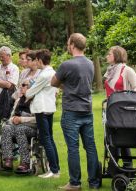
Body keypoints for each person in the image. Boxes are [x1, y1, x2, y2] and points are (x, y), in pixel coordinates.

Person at [51, 33, 101, 190]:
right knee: (90, 147)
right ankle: (94, 183)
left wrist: (65, 86)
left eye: (68, 43)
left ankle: (74, 183)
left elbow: (53, 82)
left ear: (72, 45)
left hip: (72, 111)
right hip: (87, 110)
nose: (67, 46)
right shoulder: (91, 64)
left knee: (73, 148)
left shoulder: (67, 65)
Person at [104, 45, 136, 169]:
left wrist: (128, 98)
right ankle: (123, 166)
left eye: (109, 54)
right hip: (111, 109)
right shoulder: (109, 71)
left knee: (123, 138)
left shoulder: (127, 70)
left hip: (124, 110)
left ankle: (117, 167)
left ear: (116, 56)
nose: (107, 56)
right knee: (112, 138)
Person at [25, 49, 60, 178]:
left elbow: (29, 93)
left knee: (46, 140)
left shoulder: (44, 75)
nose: (35, 62)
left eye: (36, 60)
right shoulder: (53, 72)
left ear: (40, 61)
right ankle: (56, 168)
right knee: (49, 138)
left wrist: (28, 90)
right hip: (49, 108)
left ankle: (54, 170)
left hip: (41, 109)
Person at [1, 80, 37, 172]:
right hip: (16, 126)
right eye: (21, 85)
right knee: (6, 128)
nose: (21, 87)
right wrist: (12, 119)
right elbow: (11, 116)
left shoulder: (36, 101)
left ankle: (25, 162)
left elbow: (37, 119)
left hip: (31, 128)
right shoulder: (18, 100)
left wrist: (21, 119)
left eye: (24, 85)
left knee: (20, 129)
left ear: (31, 87)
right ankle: (8, 159)